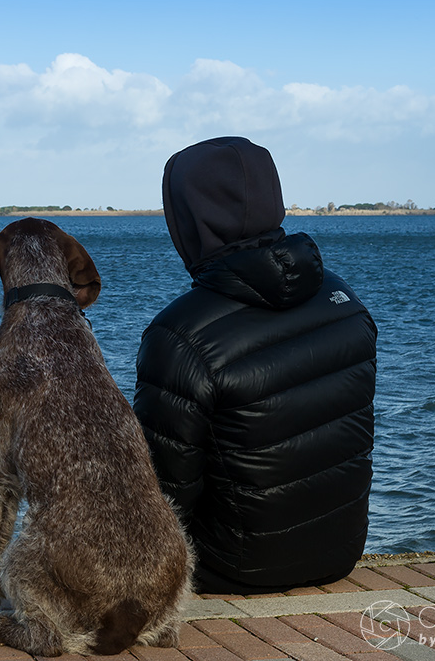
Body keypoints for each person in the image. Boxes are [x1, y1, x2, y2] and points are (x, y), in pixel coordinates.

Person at [133, 136, 377, 594]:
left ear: (188, 220)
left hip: (231, 568)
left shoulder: (178, 334)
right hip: (340, 551)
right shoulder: (345, 301)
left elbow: (163, 490)